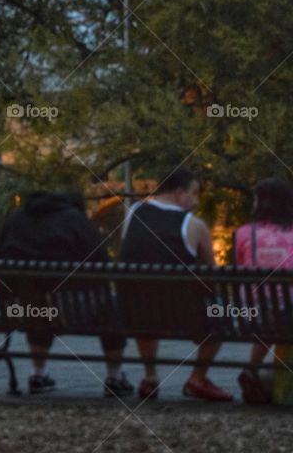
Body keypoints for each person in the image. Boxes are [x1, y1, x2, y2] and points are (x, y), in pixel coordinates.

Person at [0, 189, 133, 397]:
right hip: (70, 311)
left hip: (18, 311)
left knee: (36, 303)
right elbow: (104, 265)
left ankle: (38, 373)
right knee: (111, 309)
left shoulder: (16, 219)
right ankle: (114, 377)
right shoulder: (75, 220)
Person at [119, 167, 232, 402]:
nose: (196, 200)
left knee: (144, 300)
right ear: (180, 193)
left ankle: (150, 376)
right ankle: (197, 378)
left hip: (134, 311)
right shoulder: (193, 225)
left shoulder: (133, 213)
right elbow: (211, 275)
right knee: (221, 312)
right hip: (183, 314)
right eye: (194, 193)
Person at [234, 177, 293, 404]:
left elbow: (240, 266)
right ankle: (274, 379)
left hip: (250, 313)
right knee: (284, 315)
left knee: (275, 315)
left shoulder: (244, 233)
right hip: (285, 313)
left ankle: (254, 368)